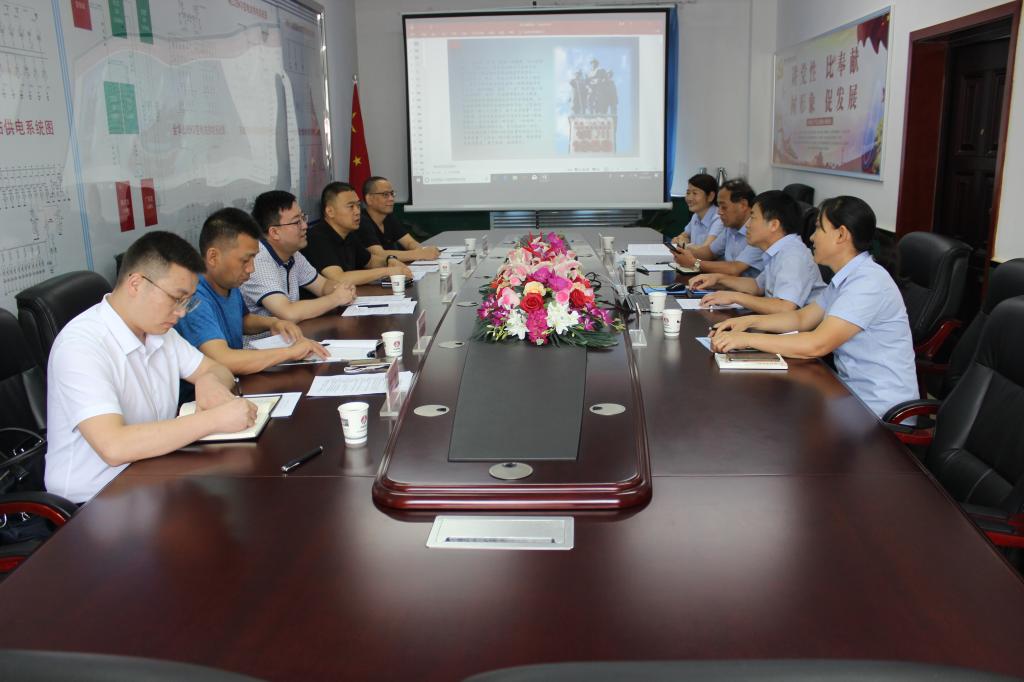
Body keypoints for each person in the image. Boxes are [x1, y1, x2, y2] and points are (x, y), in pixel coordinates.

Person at [45, 231, 258, 504]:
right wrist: (214, 420)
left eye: (187, 301)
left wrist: (207, 380)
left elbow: (219, 371)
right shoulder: (81, 346)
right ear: (136, 284)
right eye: (176, 298)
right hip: (95, 501)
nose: (181, 312)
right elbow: (114, 446)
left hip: (152, 474)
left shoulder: (159, 332)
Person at [710, 195, 917, 418]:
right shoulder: (847, 277)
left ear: (841, 235)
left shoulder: (868, 282)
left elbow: (817, 344)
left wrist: (746, 340)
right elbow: (801, 319)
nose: (811, 237)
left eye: (818, 228)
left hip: (878, 410)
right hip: (849, 394)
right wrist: (746, 322)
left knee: (772, 415)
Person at [177, 207, 329, 373]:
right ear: (213, 257)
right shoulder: (193, 297)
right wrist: (290, 352)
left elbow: (242, 319)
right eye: (244, 260)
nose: (251, 269)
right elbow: (222, 359)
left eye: (253, 258)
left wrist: (273, 323)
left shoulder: (229, 282)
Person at [689, 190, 824, 314]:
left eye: (752, 218)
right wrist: (718, 279)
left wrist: (734, 297)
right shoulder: (778, 251)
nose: (747, 225)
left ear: (774, 225)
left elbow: (784, 307)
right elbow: (757, 286)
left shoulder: (793, 255)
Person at [241, 190, 356, 322]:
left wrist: (341, 288)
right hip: (267, 335)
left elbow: (323, 286)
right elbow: (288, 313)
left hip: (291, 332)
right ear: (274, 232)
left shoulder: (293, 254)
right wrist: (336, 298)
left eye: (303, 218)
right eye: (297, 222)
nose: (305, 226)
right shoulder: (257, 260)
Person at [303, 181, 414, 287]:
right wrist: (387, 271)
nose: (357, 212)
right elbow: (338, 278)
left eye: (358, 206)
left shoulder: (349, 234)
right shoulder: (317, 237)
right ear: (330, 211)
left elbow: (370, 261)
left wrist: (389, 260)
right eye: (351, 206)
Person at [673, 178, 764, 277]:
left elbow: (734, 269)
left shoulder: (759, 232)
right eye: (719, 206)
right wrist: (683, 252)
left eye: (724, 207)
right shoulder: (730, 228)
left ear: (743, 205)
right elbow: (709, 252)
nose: (719, 212)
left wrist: (694, 263)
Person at [358, 176, 440, 262]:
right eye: (385, 194)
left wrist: (422, 251)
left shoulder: (388, 217)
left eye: (392, 194)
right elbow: (378, 255)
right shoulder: (361, 221)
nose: (391, 199)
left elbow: (409, 243)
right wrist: (419, 254)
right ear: (369, 199)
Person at [671, 173, 723, 250]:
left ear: (710, 196)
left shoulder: (719, 218)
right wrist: (680, 239)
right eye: (688, 193)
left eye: (695, 193)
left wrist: (684, 245)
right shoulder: (696, 216)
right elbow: (684, 235)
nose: (689, 198)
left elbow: (706, 249)